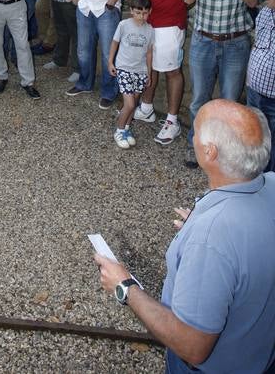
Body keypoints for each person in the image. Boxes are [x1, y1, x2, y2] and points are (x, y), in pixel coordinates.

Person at [94, 100, 275, 374]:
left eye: (197, 131)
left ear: (209, 152)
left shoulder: (212, 237)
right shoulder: (270, 184)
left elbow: (192, 345)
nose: (192, 137)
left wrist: (125, 286)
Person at [183, 0, 260, 168]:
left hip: (235, 43)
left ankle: (226, 153)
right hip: (203, 40)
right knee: (199, 100)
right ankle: (196, 146)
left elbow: (254, 1)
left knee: (230, 101)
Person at [134, 0, 195, 145]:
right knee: (149, 67)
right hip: (144, 20)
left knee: (171, 70)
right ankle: (147, 108)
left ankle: (172, 121)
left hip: (169, 23)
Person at [108, 0, 154, 149]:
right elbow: (115, 43)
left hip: (140, 71)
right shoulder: (124, 25)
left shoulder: (150, 30)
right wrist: (110, 62)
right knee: (129, 104)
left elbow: (148, 53)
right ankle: (119, 130)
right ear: (132, 11)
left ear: (150, 11)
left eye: (145, 13)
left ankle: (126, 129)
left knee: (134, 105)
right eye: (138, 12)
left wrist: (149, 73)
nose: (142, 16)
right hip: (124, 69)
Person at [246, 0, 275, 172]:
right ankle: (255, 180)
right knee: (254, 139)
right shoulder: (265, 13)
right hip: (254, 92)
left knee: (272, 145)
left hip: (273, 99)